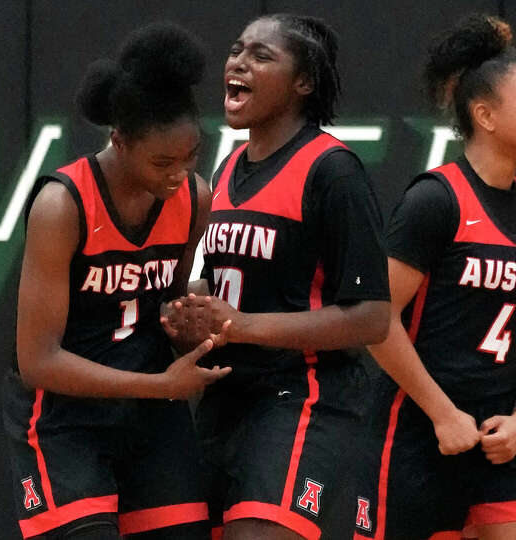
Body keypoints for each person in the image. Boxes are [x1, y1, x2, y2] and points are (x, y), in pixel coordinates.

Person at [162, 13, 390, 540]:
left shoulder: (332, 169)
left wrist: (240, 326)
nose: (239, 62)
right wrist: (189, 308)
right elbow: (223, 288)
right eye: (237, 50)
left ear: (303, 83)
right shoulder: (226, 169)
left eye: (262, 56)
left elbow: (372, 317)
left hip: (303, 399)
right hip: (225, 399)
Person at [1, 22, 230, 540]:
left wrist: (187, 319)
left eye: (190, 155)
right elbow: (37, 360)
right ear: (119, 141)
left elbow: (162, 302)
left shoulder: (194, 198)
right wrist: (160, 385)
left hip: (149, 414)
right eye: (162, 161)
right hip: (64, 417)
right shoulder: (62, 204)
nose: (177, 173)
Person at [360, 14, 516, 540]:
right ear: (485, 115)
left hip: (503, 437)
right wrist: (443, 413)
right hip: (418, 431)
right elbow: (376, 321)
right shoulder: (435, 200)